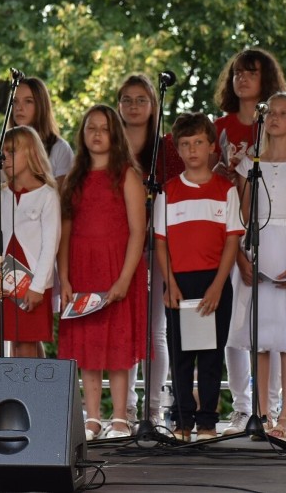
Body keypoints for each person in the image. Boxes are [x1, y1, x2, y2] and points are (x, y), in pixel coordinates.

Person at [227, 93, 286, 439]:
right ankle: (262, 414)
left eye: (283, 113)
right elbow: (246, 214)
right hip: (258, 247)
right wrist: (239, 174)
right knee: (260, 338)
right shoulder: (253, 162)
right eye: (271, 113)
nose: (275, 118)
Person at [57, 104, 147, 440]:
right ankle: (92, 418)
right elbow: (65, 232)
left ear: (115, 135)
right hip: (82, 269)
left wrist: (124, 279)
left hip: (116, 268)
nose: (96, 134)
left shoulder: (127, 175)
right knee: (88, 346)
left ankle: (120, 416)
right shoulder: (73, 179)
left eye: (104, 128)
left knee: (117, 346)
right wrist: (64, 277)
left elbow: (138, 230)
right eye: (90, 127)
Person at [154, 113, 243, 441]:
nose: (192, 150)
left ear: (211, 147)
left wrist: (219, 286)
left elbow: (232, 241)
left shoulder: (225, 190)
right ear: (178, 149)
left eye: (199, 143)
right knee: (180, 355)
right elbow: (161, 242)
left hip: (214, 281)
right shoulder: (167, 192)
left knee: (210, 354)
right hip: (179, 281)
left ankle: (207, 423)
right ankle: (182, 422)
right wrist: (171, 283)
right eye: (185, 144)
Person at [213, 48, 285, 436]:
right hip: (222, 231)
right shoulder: (219, 125)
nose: (242, 78)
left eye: (252, 73)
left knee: (268, 324)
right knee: (233, 325)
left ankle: (269, 410)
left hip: (269, 230)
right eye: (238, 72)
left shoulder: (273, 124)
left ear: (266, 79)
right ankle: (243, 409)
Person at [116, 74, 182, 427]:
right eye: (127, 99)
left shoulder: (166, 148)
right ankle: (124, 411)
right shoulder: (110, 148)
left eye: (142, 99)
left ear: (154, 105)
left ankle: (152, 410)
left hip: (157, 245)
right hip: (118, 246)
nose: (134, 106)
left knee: (155, 329)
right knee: (125, 327)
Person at [0, 126, 60, 358]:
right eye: (2, 153)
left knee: (25, 347)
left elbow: (50, 246)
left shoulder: (47, 195)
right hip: (1, 282)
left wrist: (37, 287)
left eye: (12, 151)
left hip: (32, 283)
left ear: (32, 153)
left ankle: (28, 395)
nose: (5, 158)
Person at [0, 76, 74, 193]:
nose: (19, 108)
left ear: (41, 105)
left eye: (28, 101)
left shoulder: (60, 148)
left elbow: (63, 199)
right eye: (15, 101)